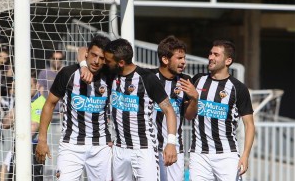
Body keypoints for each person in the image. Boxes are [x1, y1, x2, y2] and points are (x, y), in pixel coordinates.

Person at [35, 35, 112, 181]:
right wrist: (42, 139)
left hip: (101, 146)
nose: (96, 61)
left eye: (101, 58)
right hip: (71, 146)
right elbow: (49, 104)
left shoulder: (109, 75)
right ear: (87, 54)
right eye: (94, 55)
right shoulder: (68, 73)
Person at [104, 38, 177, 180]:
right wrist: (83, 65)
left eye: (108, 61)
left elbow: (169, 111)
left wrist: (171, 143)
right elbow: (83, 52)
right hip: (119, 149)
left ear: (121, 63)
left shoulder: (147, 78)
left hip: (143, 149)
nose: (105, 64)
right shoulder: (111, 75)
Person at [187, 40, 255, 181]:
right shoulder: (198, 80)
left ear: (228, 60)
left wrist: (245, 155)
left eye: (216, 54)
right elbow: (188, 116)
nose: (211, 57)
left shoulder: (238, 88)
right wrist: (193, 99)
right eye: (210, 53)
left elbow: (249, 125)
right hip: (199, 154)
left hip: (226, 155)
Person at [152, 36, 198, 181]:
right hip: (149, 147)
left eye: (184, 58)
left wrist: (194, 98)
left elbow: (189, 116)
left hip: (175, 148)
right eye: (179, 58)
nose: (183, 62)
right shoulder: (148, 78)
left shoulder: (186, 81)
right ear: (165, 59)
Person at [1, 71, 46, 181]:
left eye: (30, 86)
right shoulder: (22, 101)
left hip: (34, 148)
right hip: (18, 146)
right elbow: (5, 123)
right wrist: (16, 114)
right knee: (12, 177)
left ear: (37, 86)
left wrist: (15, 117)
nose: (26, 89)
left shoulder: (41, 102)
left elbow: (32, 130)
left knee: (34, 178)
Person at [37, 50, 64, 115]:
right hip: (46, 108)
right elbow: (40, 91)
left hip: (61, 109)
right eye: (55, 58)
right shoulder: (44, 73)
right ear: (50, 59)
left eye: (59, 59)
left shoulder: (65, 73)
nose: (57, 61)